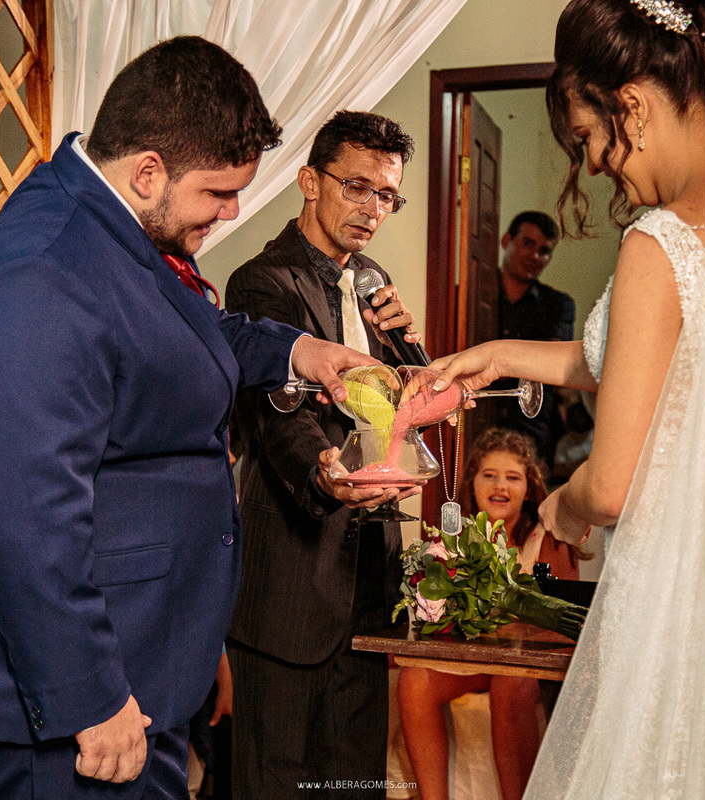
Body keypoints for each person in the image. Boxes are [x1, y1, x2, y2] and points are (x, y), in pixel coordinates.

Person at [0, 36, 376, 800]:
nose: (233, 211)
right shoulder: (39, 274)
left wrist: (297, 351)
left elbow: (170, 336)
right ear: (148, 170)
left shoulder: (117, 225)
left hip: (143, 653)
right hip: (69, 699)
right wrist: (88, 697)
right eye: (218, 193)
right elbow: (26, 516)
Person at [428, 0, 705, 796]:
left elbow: (611, 488)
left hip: (677, 596)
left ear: (632, 105)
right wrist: (496, 354)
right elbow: (672, 361)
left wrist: (560, 508)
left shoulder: (658, 243)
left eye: (588, 136)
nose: (593, 165)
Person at [224, 110, 421, 799]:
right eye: (357, 187)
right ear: (311, 182)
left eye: (387, 195)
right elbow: (279, 411)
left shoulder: (372, 280)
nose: (373, 209)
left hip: (369, 584)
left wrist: (408, 352)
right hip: (290, 582)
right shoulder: (261, 282)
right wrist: (322, 471)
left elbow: (392, 411)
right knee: (274, 785)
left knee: (355, 784)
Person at [398, 428, 583, 800]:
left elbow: (561, 622)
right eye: (489, 475)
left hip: (530, 663)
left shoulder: (548, 537)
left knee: (508, 684)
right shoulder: (458, 538)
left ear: (528, 489)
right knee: (414, 680)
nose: (500, 486)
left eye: (513, 477)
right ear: (473, 482)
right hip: (479, 657)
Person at [491, 212, 577, 468]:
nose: (535, 256)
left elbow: (553, 364)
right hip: (475, 419)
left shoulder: (559, 305)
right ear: (506, 241)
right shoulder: (473, 292)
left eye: (544, 251)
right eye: (528, 244)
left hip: (532, 428)